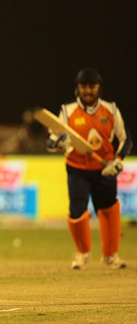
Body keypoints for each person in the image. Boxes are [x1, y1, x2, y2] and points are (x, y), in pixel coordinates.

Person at [46, 68, 132, 270]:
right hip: (77, 168)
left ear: (99, 88)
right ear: (78, 88)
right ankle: (82, 254)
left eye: (92, 86)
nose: (87, 91)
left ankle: (111, 256)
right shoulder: (67, 111)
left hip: (105, 169)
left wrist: (118, 160)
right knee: (77, 211)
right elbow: (51, 140)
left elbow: (125, 138)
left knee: (109, 209)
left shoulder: (110, 110)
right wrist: (57, 144)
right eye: (83, 86)